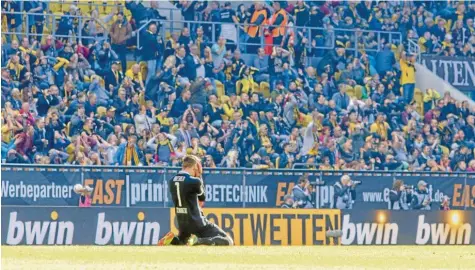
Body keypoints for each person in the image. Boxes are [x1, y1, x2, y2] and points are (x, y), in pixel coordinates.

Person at [158, 155, 234, 246]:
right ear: (195, 166)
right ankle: (198, 241)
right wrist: (199, 176)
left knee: (183, 242)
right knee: (228, 241)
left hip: (182, 223)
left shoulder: (171, 181)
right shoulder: (194, 181)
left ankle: (172, 239)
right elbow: (202, 198)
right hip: (197, 223)